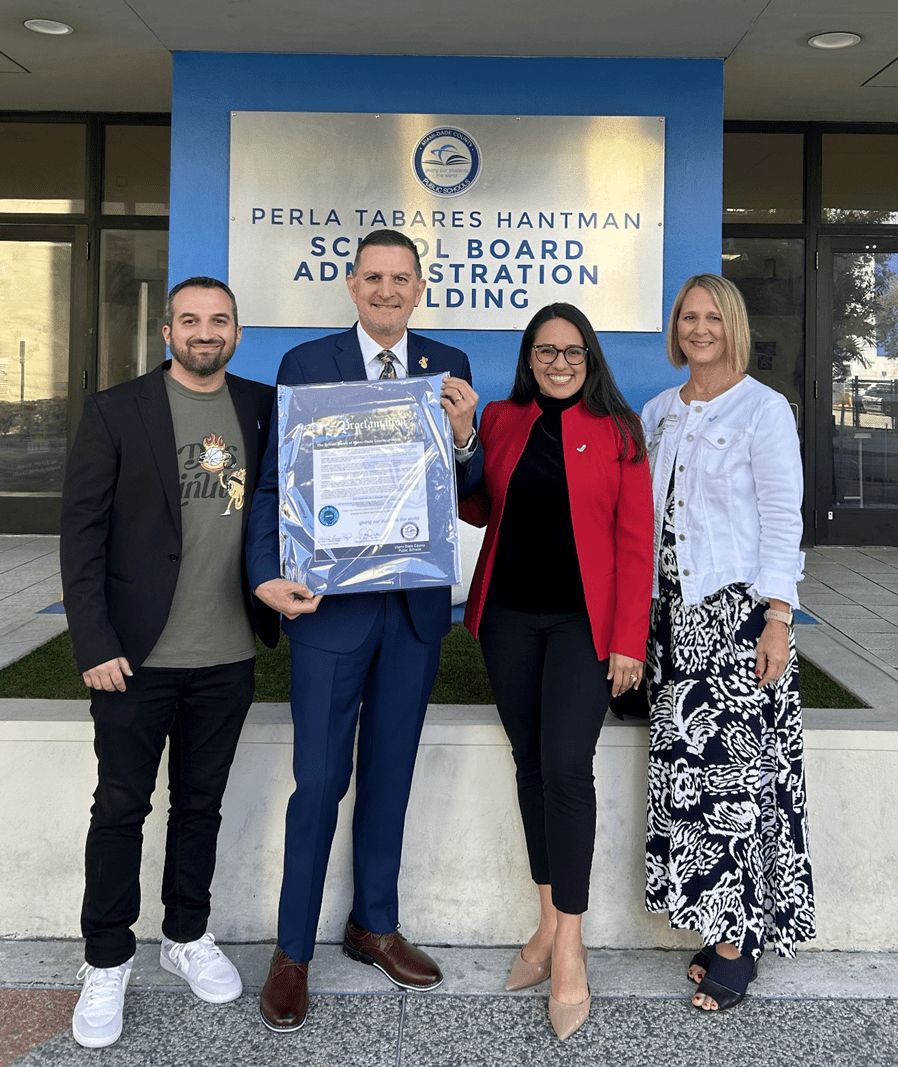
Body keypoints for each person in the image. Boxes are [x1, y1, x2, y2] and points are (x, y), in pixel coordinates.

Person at [246, 229, 482, 1033]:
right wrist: (262, 574)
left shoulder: (448, 366)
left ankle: (372, 923)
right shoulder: (306, 364)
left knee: (391, 771)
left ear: (420, 287)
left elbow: (471, 488)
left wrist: (464, 436)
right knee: (318, 780)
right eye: (373, 277)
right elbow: (275, 481)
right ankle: (291, 951)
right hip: (329, 611)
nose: (387, 290)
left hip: (412, 612)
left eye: (401, 279)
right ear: (352, 285)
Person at [60, 277, 279, 1048]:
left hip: (226, 655)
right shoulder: (117, 410)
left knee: (200, 804)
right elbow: (80, 534)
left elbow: (284, 502)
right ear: (166, 331)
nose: (204, 331)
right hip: (134, 658)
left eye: (218, 320)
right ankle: (107, 957)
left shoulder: (262, 405)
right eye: (190, 320)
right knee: (120, 807)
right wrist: (93, 642)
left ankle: (185, 934)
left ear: (238, 333)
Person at [460, 302, 653, 1041]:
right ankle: (545, 926)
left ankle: (569, 944)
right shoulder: (505, 419)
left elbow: (636, 543)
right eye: (546, 350)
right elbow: (477, 504)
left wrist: (628, 638)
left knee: (568, 767)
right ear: (529, 356)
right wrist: (456, 445)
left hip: (585, 628)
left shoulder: (619, 431)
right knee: (531, 766)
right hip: (507, 618)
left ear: (590, 355)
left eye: (572, 350)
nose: (560, 361)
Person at [642, 273, 815, 1012]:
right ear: (675, 325)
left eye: (714, 317)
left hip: (738, 619)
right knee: (691, 778)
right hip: (673, 623)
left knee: (737, 784)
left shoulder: (763, 410)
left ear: (733, 326)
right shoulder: (657, 411)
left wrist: (780, 614)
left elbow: (783, 515)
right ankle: (717, 920)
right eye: (690, 316)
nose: (700, 328)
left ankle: (738, 942)